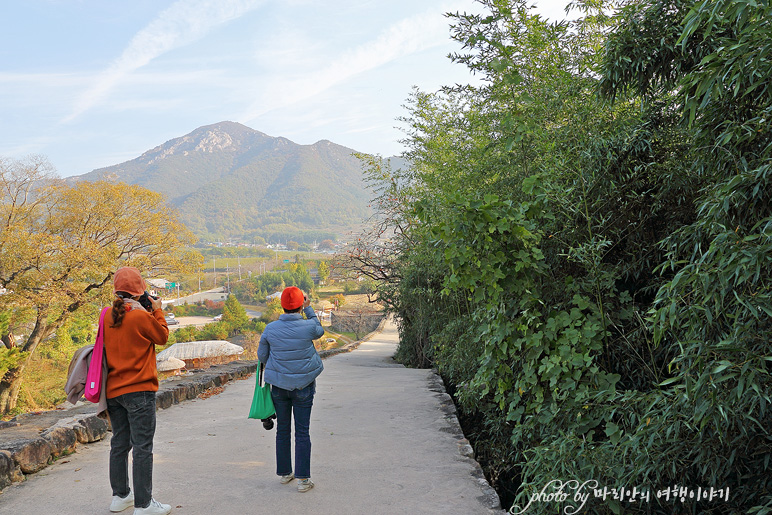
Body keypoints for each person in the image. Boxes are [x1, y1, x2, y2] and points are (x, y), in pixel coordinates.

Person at [103, 266, 172, 515]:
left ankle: (120, 496)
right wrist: (157, 310)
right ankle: (144, 504)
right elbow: (162, 336)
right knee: (143, 447)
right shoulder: (140, 316)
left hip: (112, 390)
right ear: (140, 290)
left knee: (119, 444)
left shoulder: (106, 316)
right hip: (139, 390)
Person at [258, 286, 324, 493]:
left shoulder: (270, 329)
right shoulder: (308, 326)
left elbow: (262, 356)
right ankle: (304, 480)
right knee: (302, 432)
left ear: (282, 306)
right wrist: (309, 307)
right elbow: (319, 330)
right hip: (304, 386)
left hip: (279, 387)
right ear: (300, 304)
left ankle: (285, 473)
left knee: (283, 430)